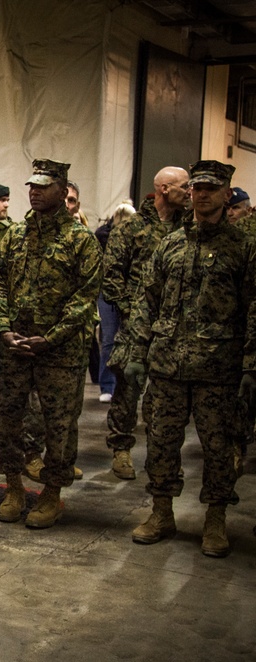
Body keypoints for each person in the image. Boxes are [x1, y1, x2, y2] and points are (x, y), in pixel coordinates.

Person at [125, 160, 256, 557]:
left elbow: (254, 309)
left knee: (219, 447)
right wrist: (136, 353)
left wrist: (251, 365)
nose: (201, 194)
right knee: (161, 442)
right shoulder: (171, 243)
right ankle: (161, 512)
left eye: (210, 188)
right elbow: (147, 299)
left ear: (226, 194)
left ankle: (215, 519)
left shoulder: (243, 248)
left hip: (219, 367)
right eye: (197, 187)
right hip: (167, 364)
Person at [0, 158, 102, 529]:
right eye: (31, 186)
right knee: (8, 421)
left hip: (60, 353)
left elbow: (86, 297)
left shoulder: (81, 241)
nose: (34, 191)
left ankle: (51, 493)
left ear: (63, 190)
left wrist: (52, 338)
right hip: (15, 347)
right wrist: (3, 330)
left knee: (59, 426)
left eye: (43, 186)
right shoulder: (16, 236)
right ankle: (14, 488)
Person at [101, 167, 188, 480]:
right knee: (127, 388)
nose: (190, 192)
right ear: (164, 188)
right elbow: (111, 274)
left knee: (165, 393)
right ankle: (121, 449)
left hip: (176, 327)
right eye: (184, 186)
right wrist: (130, 310)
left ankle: (160, 451)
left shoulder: (190, 228)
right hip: (136, 323)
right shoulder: (133, 227)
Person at [94, 201, 136, 404]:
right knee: (109, 339)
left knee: (124, 341)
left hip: (130, 293)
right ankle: (108, 385)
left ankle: (123, 386)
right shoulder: (103, 236)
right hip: (108, 293)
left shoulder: (139, 237)